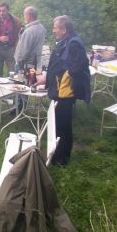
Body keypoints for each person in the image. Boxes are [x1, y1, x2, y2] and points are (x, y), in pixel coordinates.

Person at [37, 15, 90, 166]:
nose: (54, 30)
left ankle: (62, 159)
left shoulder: (74, 44)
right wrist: (48, 76)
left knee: (64, 126)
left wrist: (64, 77)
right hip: (60, 90)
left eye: (56, 28)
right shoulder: (66, 40)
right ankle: (57, 154)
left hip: (65, 93)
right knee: (59, 124)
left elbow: (79, 65)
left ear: (64, 29)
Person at [0, 2, 21, 77]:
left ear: (8, 10)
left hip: (11, 49)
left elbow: (20, 34)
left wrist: (17, 46)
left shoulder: (16, 21)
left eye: (3, 11)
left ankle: (11, 87)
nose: (1, 13)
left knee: (12, 72)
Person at [14, 6, 46, 72]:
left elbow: (24, 51)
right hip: (37, 63)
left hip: (26, 65)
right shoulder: (41, 27)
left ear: (29, 16)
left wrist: (18, 62)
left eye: (24, 15)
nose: (24, 17)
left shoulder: (29, 31)